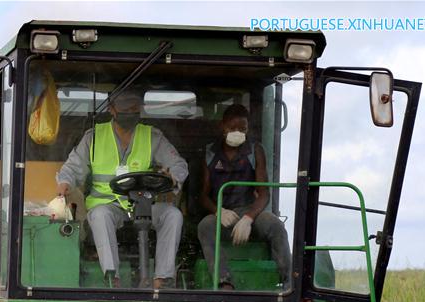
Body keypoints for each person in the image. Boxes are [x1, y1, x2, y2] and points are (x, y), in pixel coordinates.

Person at [56, 89, 188, 289]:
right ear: (112, 110)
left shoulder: (152, 136)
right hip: (107, 206)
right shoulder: (93, 137)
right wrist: (64, 183)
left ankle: (162, 280)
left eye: (135, 109)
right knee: (100, 216)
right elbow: (72, 168)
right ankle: (113, 279)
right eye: (126, 109)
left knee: (173, 215)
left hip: (144, 205)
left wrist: (174, 176)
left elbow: (178, 164)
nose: (131, 113)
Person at [197, 104, 291, 290]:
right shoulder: (210, 153)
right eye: (232, 128)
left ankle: (288, 281)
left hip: (250, 212)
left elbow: (264, 193)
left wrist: (248, 218)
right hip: (224, 215)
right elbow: (202, 196)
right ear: (222, 127)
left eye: (243, 129)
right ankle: (224, 281)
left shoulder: (255, 151)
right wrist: (218, 211)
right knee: (205, 226)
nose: (237, 132)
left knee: (276, 225)